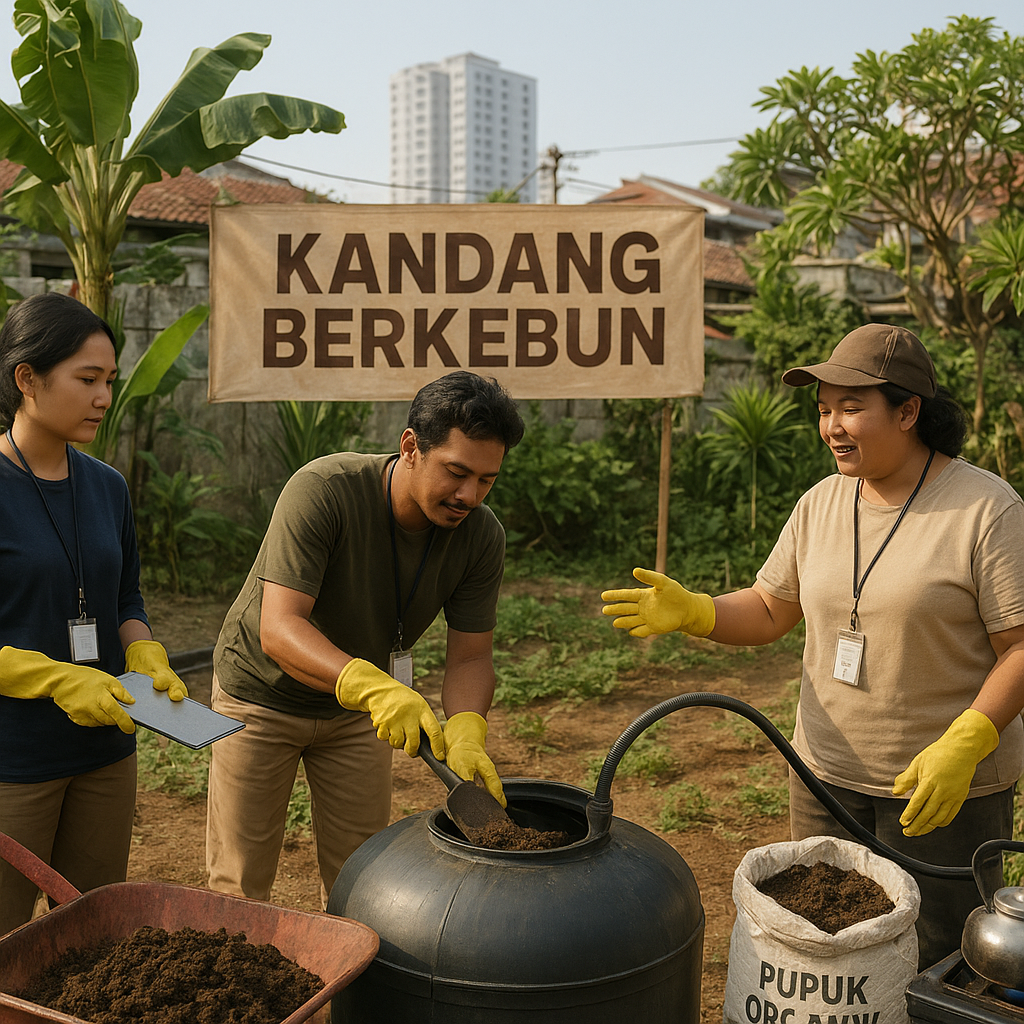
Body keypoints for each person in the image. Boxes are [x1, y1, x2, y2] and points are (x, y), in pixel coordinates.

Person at [601, 323, 1024, 969]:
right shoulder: (821, 502)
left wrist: (967, 741)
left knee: (937, 959)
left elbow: (1019, 648)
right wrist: (697, 611)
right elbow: (771, 607)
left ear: (908, 411)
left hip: (940, 790)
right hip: (825, 778)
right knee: (830, 954)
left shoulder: (985, 510)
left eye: (851, 408)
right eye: (824, 410)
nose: (831, 427)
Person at [207, 370, 524, 905]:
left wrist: (468, 728)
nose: (469, 495)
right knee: (240, 882)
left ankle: (348, 963)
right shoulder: (325, 490)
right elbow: (280, 629)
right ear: (411, 447)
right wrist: (376, 687)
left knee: (361, 878)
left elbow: (471, 658)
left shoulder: (480, 536)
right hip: (261, 698)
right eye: (456, 472)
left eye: (486, 480)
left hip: (357, 715)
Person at [0, 291, 188, 935]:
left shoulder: (108, 486)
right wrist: (55, 678)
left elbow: (125, 597)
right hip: (13, 760)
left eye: (109, 379)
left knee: (96, 933)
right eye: (87, 380)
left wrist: (142, 647)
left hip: (107, 750)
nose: (105, 397)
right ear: (28, 379)